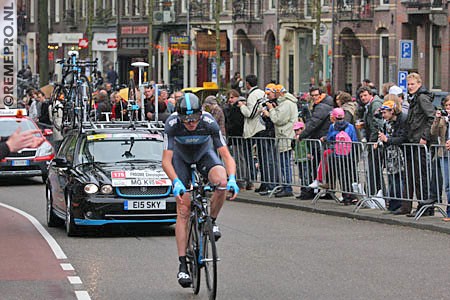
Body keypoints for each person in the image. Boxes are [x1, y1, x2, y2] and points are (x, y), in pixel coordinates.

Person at [161, 93, 239, 288]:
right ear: (179, 117)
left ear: (200, 114)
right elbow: (166, 161)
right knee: (184, 209)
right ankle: (182, 265)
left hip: (204, 154)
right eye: (186, 121)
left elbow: (226, 156)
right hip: (181, 159)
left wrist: (232, 179)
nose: (190, 124)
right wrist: (176, 182)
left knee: (220, 182)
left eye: (194, 120)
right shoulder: (172, 124)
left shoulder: (209, 121)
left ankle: (211, 221)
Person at [403, 73, 435, 217]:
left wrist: (424, 137)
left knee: (421, 176)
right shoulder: (413, 99)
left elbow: (431, 117)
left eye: (413, 84)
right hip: (413, 141)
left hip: (420, 142)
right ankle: (423, 206)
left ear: (419, 84)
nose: (410, 87)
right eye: (408, 84)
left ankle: (425, 206)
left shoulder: (422, 98)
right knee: (416, 175)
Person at [263, 84, 298, 197]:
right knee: (284, 163)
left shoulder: (287, 104)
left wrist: (271, 110)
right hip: (284, 135)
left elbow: (278, 119)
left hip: (285, 135)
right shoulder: (286, 103)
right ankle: (285, 186)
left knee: (285, 163)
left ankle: (287, 187)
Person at [375, 96, 408, 213]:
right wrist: (380, 142)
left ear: (392, 111)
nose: (383, 115)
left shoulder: (401, 119)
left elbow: (402, 137)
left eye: (385, 112)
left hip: (399, 155)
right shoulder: (386, 122)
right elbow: (383, 135)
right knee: (391, 179)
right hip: (389, 155)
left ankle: (399, 203)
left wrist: (387, 140)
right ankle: (392, 204)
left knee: (398, 180)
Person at [237, 74, 266, 190]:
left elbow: (250, 113)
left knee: (249, 155)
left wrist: (242, 106)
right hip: (260, 127)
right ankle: (261, 180)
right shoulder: (262, 93)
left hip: (254, 129)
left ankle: (252, 177)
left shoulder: (253, 95)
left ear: (247, 84)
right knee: (261, 155)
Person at [223, 89, 248, 189]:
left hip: (238, 136)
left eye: (232, 97)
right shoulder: (230, 108)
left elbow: (237, 123)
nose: (230, 100)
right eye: (229, 98)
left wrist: (230, 128)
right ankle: (239, 179)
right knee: (235, 158)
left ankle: (241, 180)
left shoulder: (238, 108)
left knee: (239, 159)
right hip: (233, 137)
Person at [431, 95, 450, 221]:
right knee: (447, 184)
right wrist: (437, 119)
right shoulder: (443, 119)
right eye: (446, 106)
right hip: (444, 153)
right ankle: (449, 212)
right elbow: (433, 132)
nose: (448, 108)